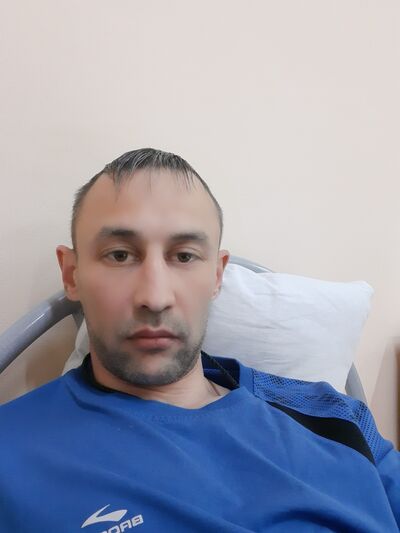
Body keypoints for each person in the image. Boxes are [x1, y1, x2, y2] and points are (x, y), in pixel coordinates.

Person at [0, 148, 398, 533]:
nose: (155, 297)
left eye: (184, 256)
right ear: (71, 274)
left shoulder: (336, 419)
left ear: (217, 276)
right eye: (120, 255)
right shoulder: (12, 454)